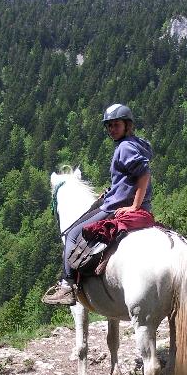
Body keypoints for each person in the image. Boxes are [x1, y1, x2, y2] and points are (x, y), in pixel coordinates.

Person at [42, 103, 153, 305]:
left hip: (116, 206)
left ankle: (67, 286)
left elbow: (143, 175)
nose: (112, 130)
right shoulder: (135, 143)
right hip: (120, 199)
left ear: (127, 125)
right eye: (109, 126)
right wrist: (112, 190)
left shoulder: (125, 147)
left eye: (116, 125)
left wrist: (134, 206)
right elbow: (127, 178)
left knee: (73, 234)